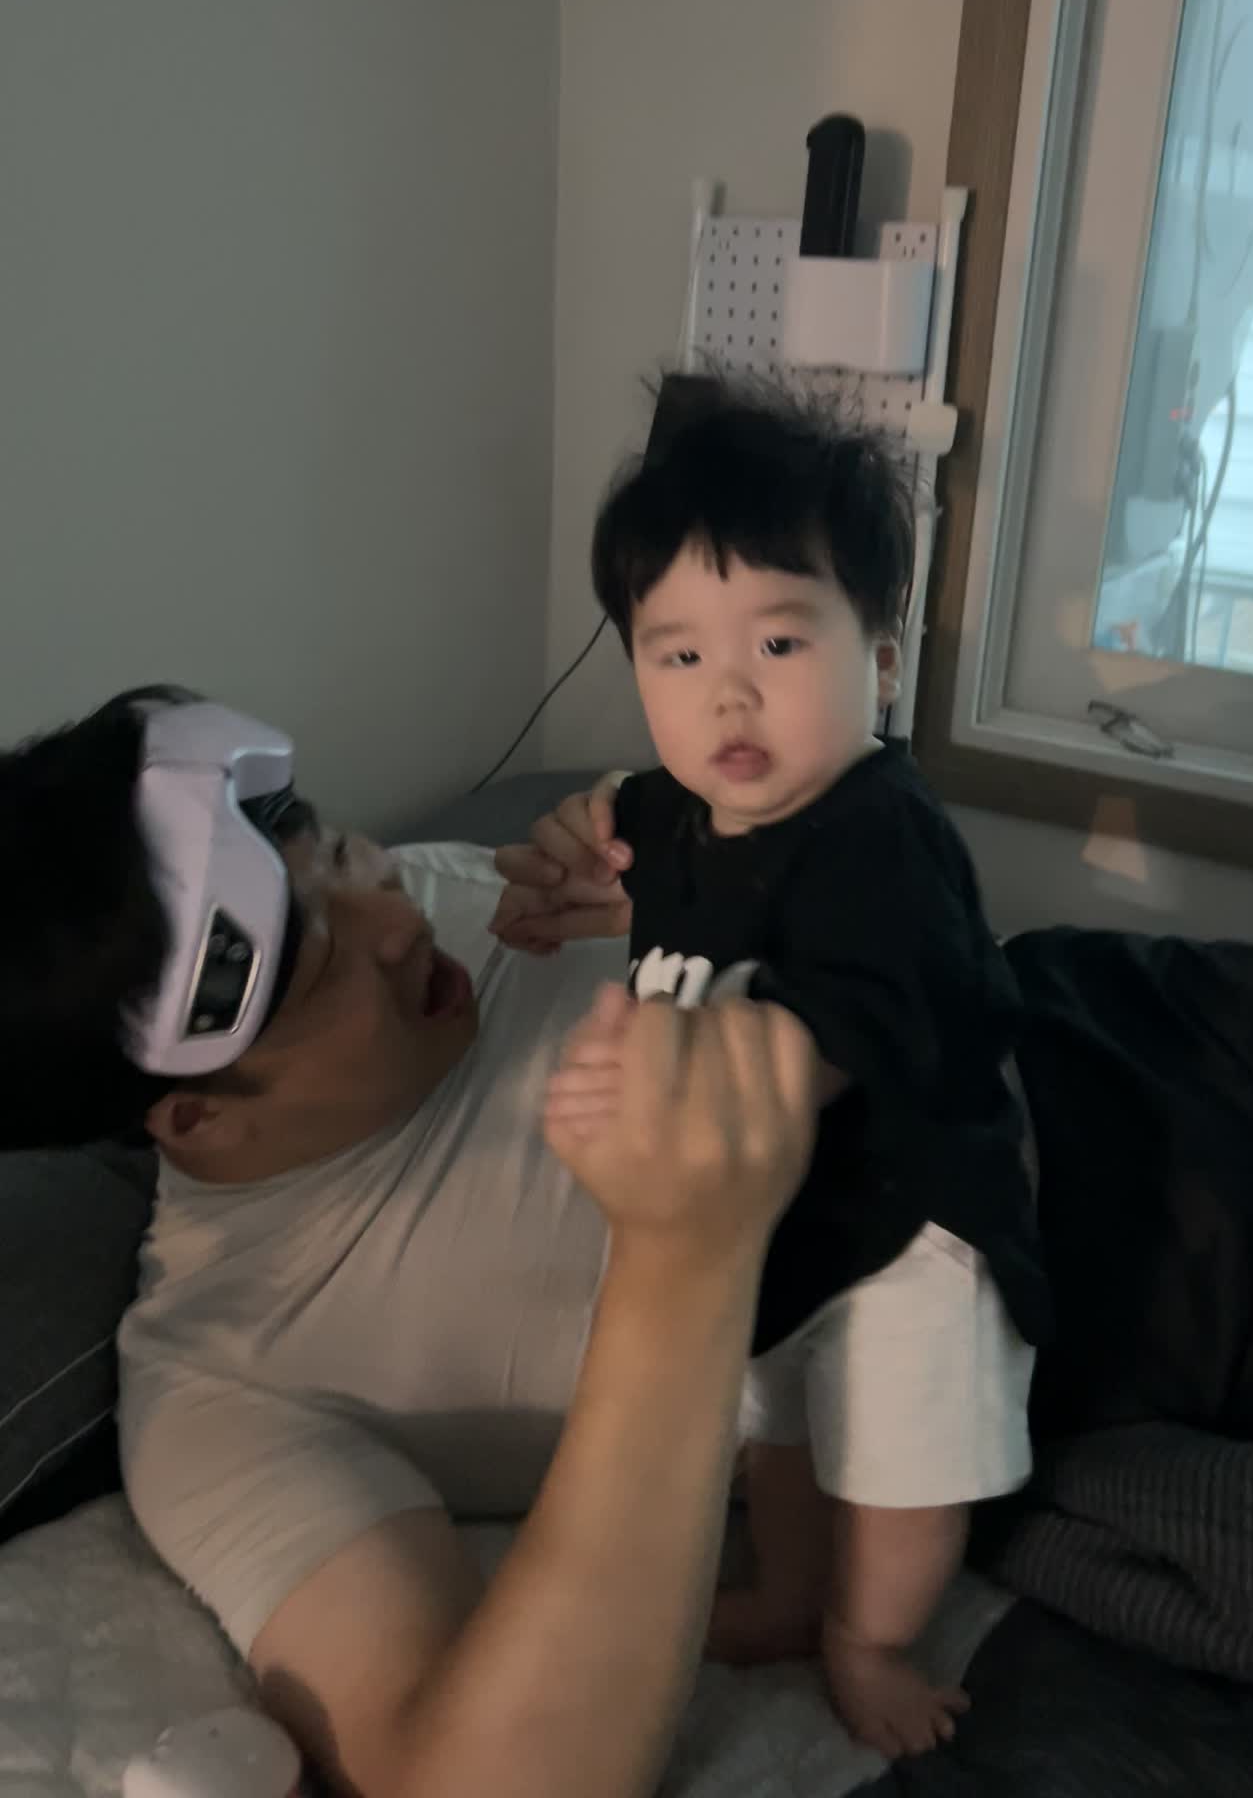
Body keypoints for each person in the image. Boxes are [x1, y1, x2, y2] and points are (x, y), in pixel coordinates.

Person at [0, 689, 821, 1798]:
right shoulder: (226, 1391)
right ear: (196, 1118)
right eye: (324, 963)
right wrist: (685, 1265)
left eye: (338, 851)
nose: (401, 919)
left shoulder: (473, 894)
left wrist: (705, 863)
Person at [533, 383, 1050, 1757]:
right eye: (678, 654)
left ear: (878, 657)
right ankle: (786, 1592)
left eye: (778, 639)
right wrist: (569, 852)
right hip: (772, 1235)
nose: (730, 692)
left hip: (910, 1228)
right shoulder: (675, 809)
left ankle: (869, 1639)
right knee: (779, 1442)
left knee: (901, 1470)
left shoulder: (881, 836)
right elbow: (618, 839)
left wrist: (667, 1075)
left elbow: (845, 1019)